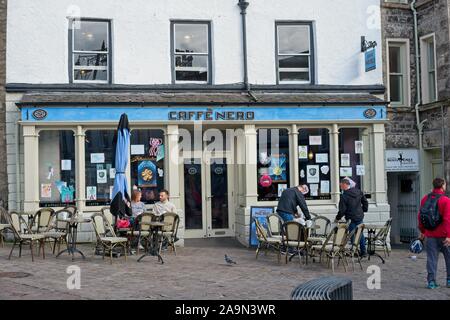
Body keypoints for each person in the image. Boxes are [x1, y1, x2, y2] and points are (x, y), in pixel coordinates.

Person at [417, 178, 450, 289]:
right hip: (444, 235)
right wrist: (449, 236)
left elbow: (420, 217)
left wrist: (422, 231)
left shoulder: (425, 199)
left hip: (430, 234)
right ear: (443, 186)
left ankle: (431, 282)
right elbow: (447, 220)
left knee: (431, 259)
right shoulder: (446, 200)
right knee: (448, 258)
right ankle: (449, 280)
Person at [334, 178, 368, 257]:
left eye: (341, 185)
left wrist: (337, 218)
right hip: (359, 216)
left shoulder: (344, 196)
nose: (340, 187)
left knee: (352, 234)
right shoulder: (358, 191)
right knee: (360, 234)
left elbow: (342, 210)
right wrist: (363, 210)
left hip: (351, 217)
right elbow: (365, 201)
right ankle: (363, 251)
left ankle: (355, 251)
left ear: (344, 184)